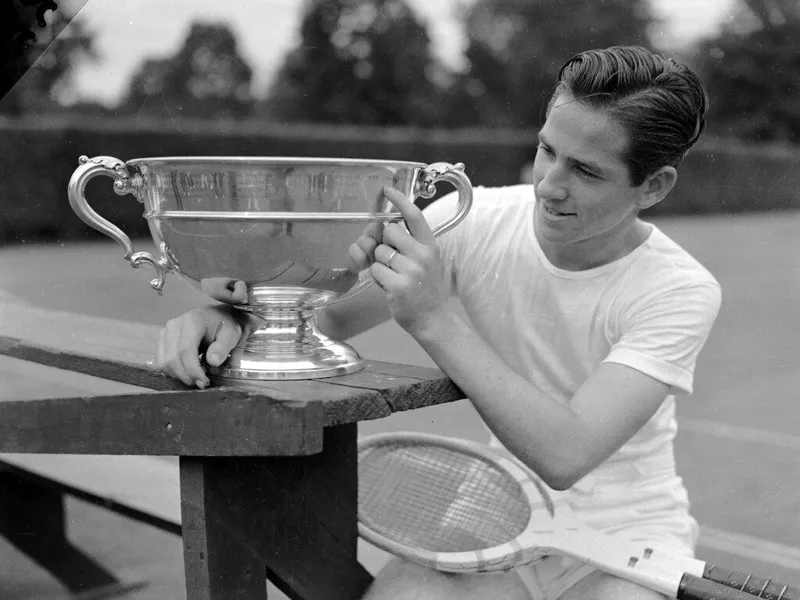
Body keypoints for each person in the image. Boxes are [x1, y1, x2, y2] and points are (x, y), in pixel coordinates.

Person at [156, 45, 721, 600]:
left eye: (587, 171)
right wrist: (229, 313)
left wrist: (434, 319)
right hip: (494, 506)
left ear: (653, 186)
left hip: (627, 538)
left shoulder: (679, 289)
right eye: (548, 150)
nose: (550, 184)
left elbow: (567, 455)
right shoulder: (467, 220)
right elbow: (320, 322)